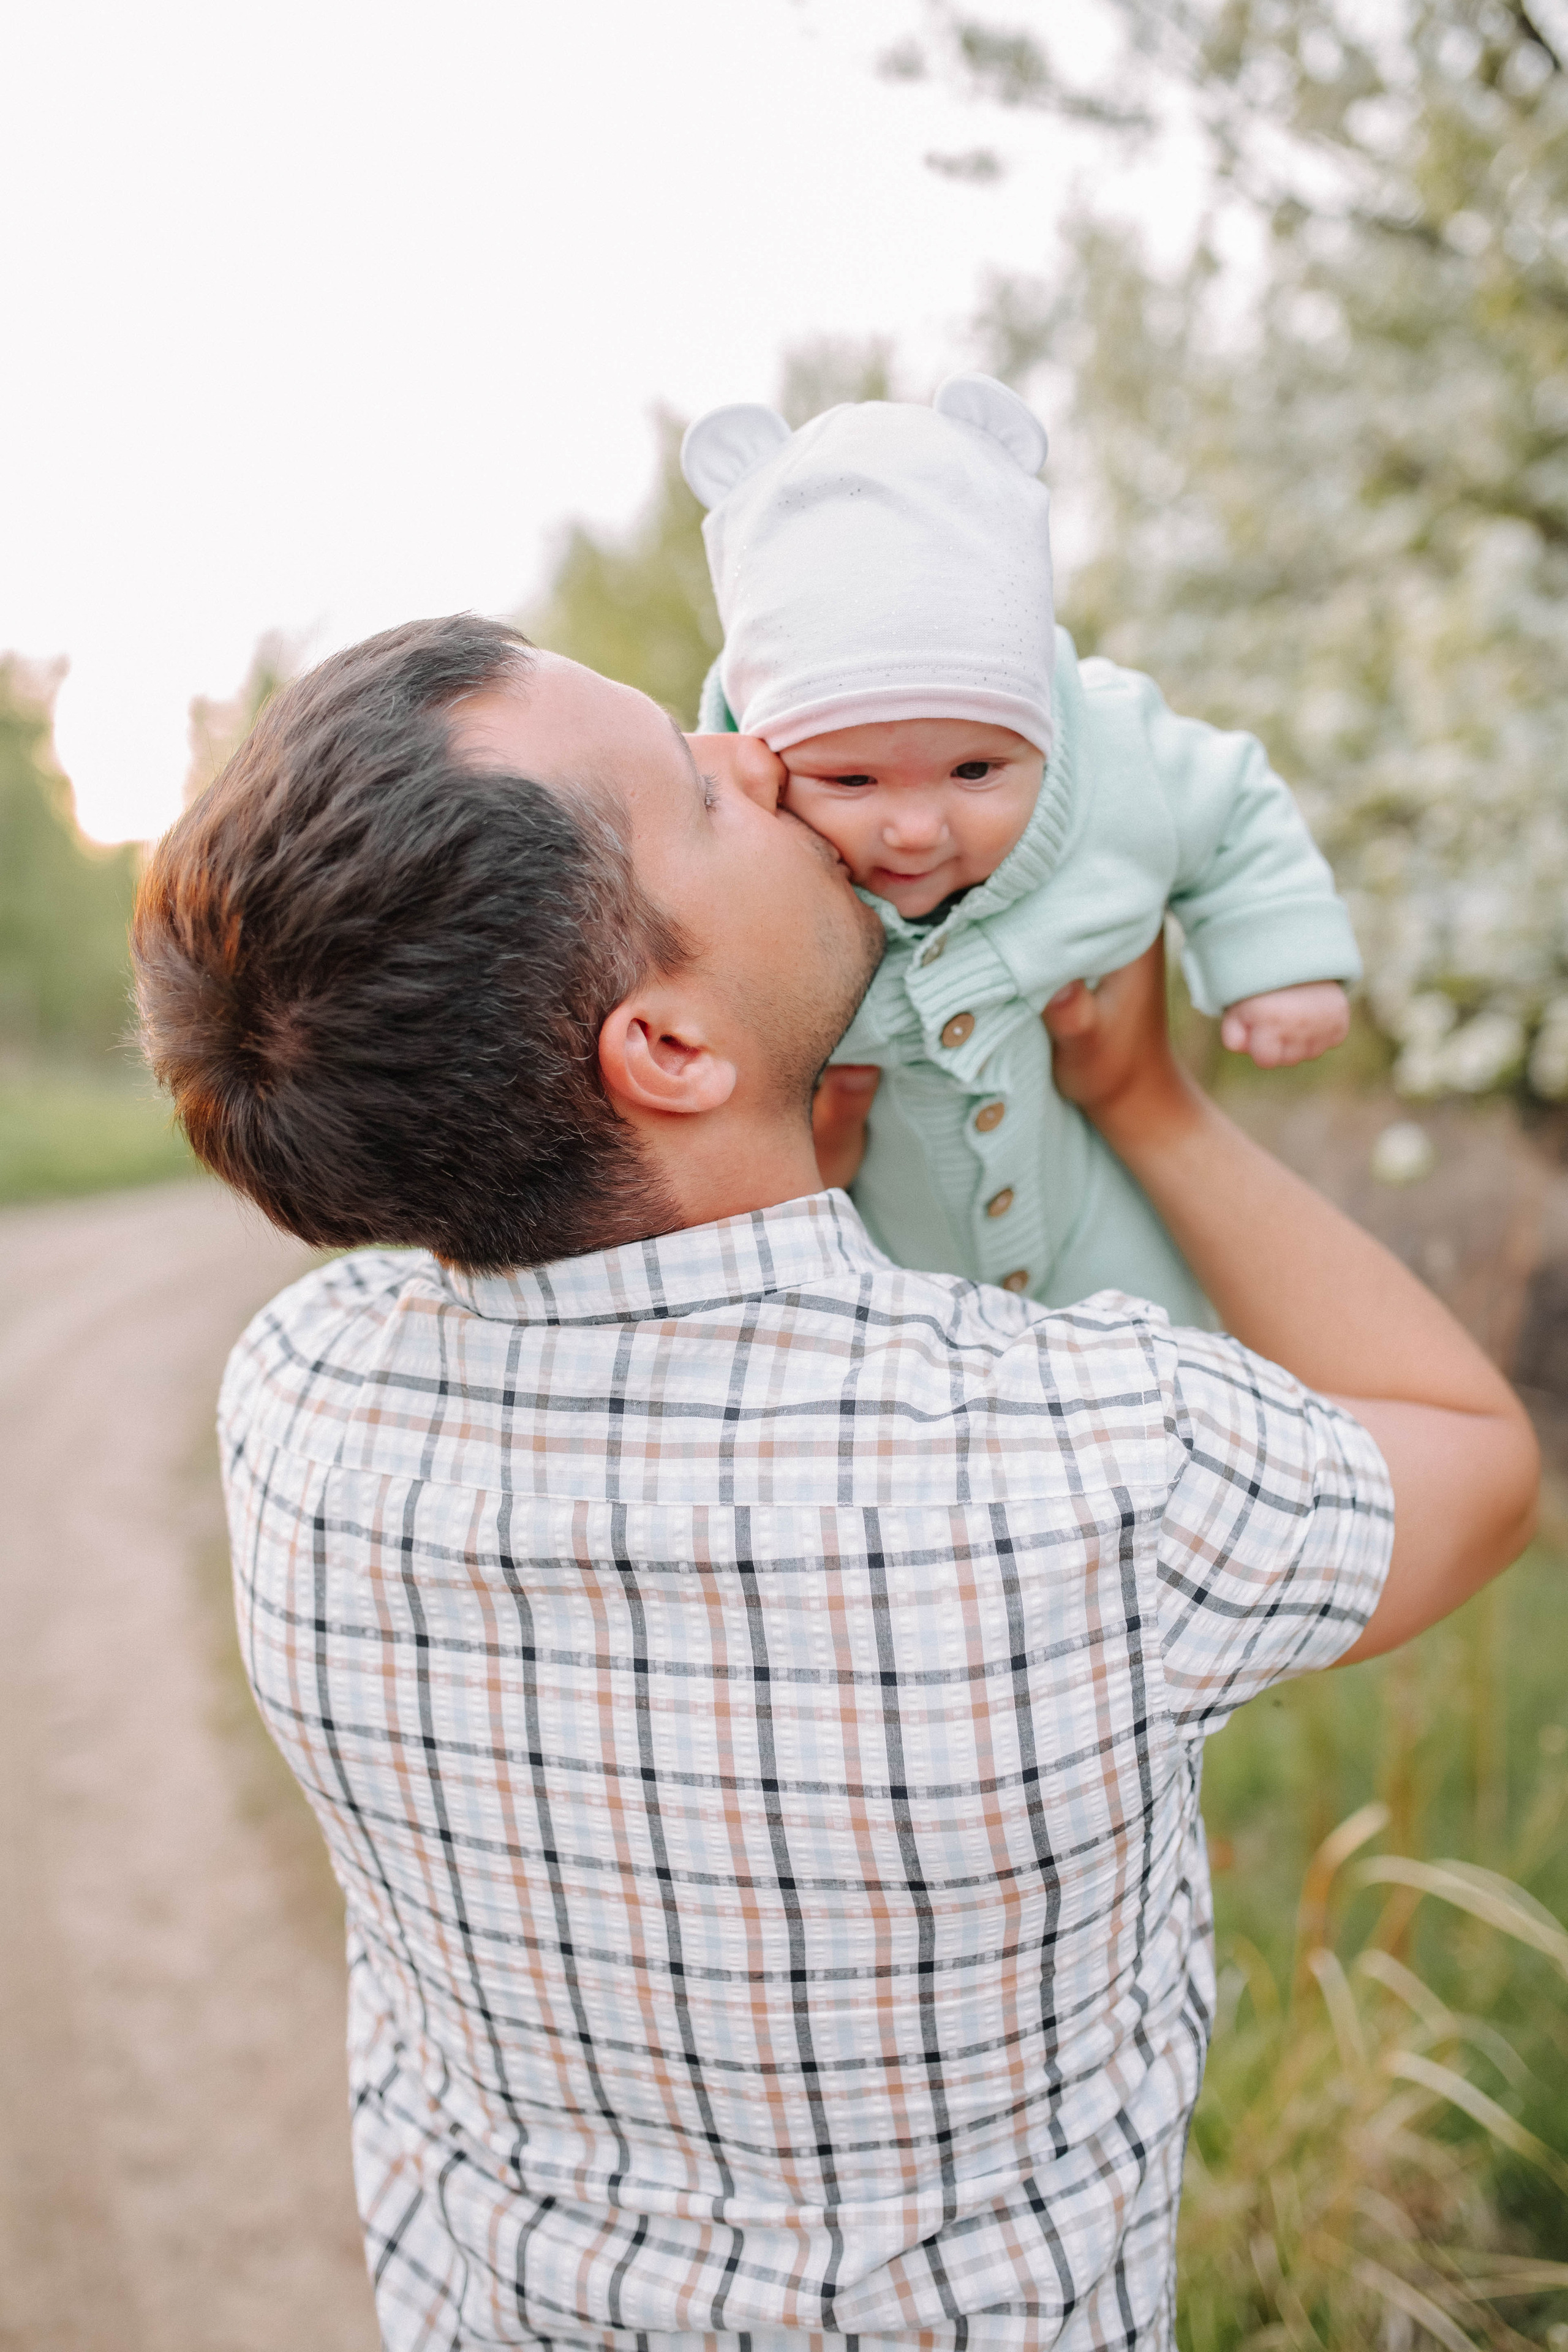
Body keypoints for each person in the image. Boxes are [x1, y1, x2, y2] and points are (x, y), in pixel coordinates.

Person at [132, 614, 1537, 2352]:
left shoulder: (300, 1402)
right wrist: (1153, 1104)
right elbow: (1479, 1466)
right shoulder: (1075, 1467)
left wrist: (778, 1161)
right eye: (698, 800)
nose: (757, 759)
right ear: (664, 1054)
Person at [683, 376, 1361, 1324]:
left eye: (974, 772)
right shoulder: (725, 861)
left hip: (1095, 1219)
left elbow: (1234, 804)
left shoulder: (1117, 764)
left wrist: (1276, 960)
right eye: (852, 783)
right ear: (761, 759)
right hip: (877, 1257)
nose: (916, 829)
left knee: (1172, 1342)